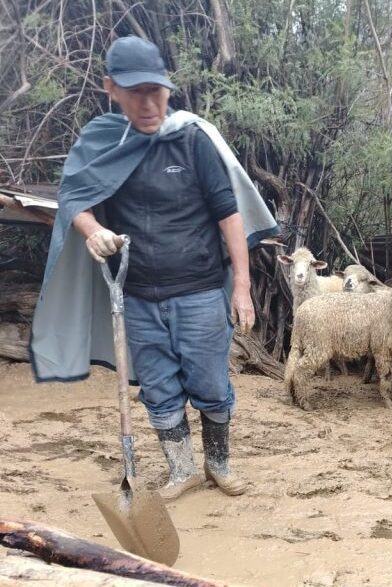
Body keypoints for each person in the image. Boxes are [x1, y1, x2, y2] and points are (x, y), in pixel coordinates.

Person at [30, 36, 280, 501]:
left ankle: (218, 465)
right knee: (159, 388)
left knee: (209, 382)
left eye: (156, 91)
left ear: (168, 89)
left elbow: (229, 214)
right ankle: (181, 470)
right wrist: (91, 231)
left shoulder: (192, 139)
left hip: (200, 292)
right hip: (137, 296)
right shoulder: (104, 143)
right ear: (111, 89)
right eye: (135, 92)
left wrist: (241, 286)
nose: (148, 103)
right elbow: (74, 201)